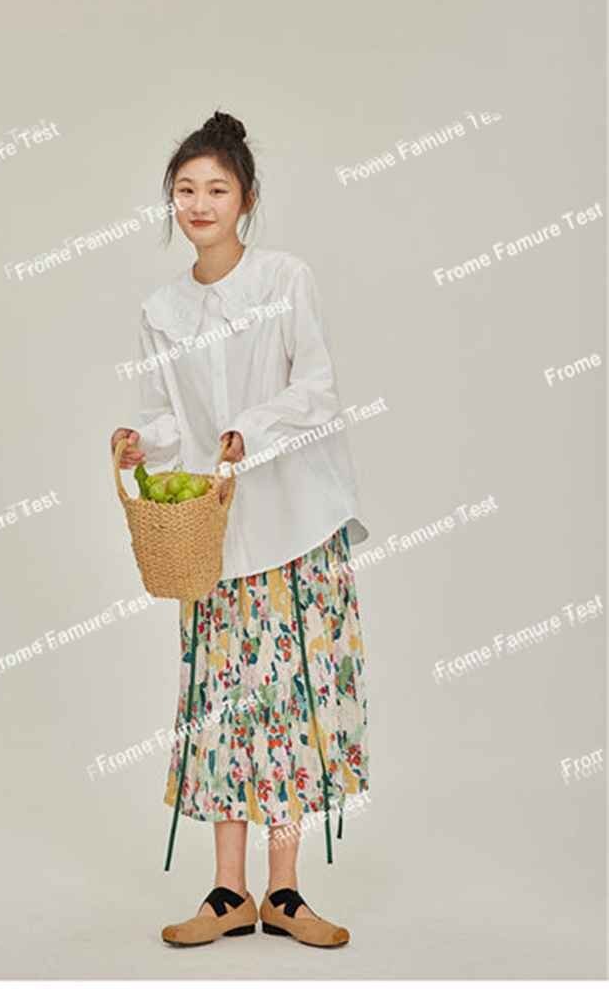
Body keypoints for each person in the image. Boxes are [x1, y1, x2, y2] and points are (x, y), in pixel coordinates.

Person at [111, 109, 370, 949]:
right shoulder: (161, 308)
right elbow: (164, 417)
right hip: (212, 536)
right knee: (221, 703)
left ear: (246, 199)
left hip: (295, 520)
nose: (199, 204)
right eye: (186, 189)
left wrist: (248, 430)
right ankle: (228, 891)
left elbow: (318, 386)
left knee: (289, 698)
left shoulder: (285, 278)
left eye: (216, 189)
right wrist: (139, 442)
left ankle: (285, 890)